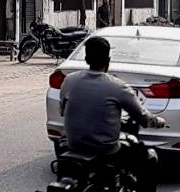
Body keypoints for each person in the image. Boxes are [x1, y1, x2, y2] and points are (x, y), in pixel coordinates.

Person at [59, 37, 165, 192]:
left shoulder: (69, 80)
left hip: (72, 145)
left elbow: (63, 110)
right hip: (106, 150)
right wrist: (158, 121)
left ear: (87, 58)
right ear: (108, 60)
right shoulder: (117, 86)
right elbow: (143, 117)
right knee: (149, 157)